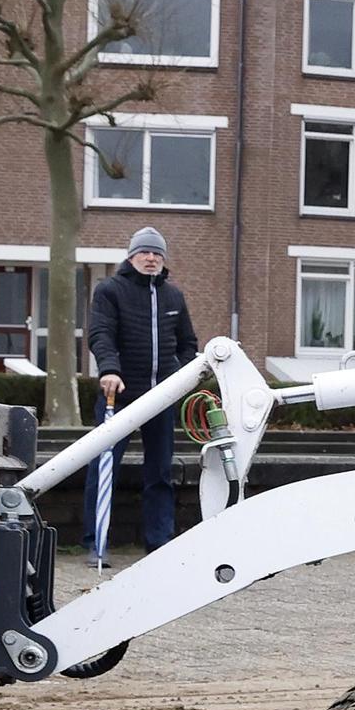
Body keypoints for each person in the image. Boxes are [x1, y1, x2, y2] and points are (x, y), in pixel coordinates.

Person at [85, 228, 203, 551]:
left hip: (160, 398)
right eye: (144, 253)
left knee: (160, 472)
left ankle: (159, 542)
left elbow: (188, 343)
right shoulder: (109, 291)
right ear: (131, 256)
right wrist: (109, 369)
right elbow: (101, 334)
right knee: (104, 466)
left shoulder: (174, 296)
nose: (151, 258)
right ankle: (96, 540)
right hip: (120, 395)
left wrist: (179, 375)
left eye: (157, 254)